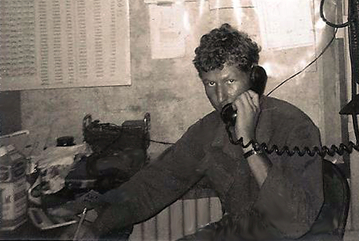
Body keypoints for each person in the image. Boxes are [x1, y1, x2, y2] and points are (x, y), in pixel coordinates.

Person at [58, 24, 324, 240]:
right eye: (210, 84)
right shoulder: (210, 130)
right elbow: (154, 184)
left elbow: (294, 222)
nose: (220, 96)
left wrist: (249, 144)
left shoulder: (295, 127)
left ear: (254, 77)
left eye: (230, 81)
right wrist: (95, 225)